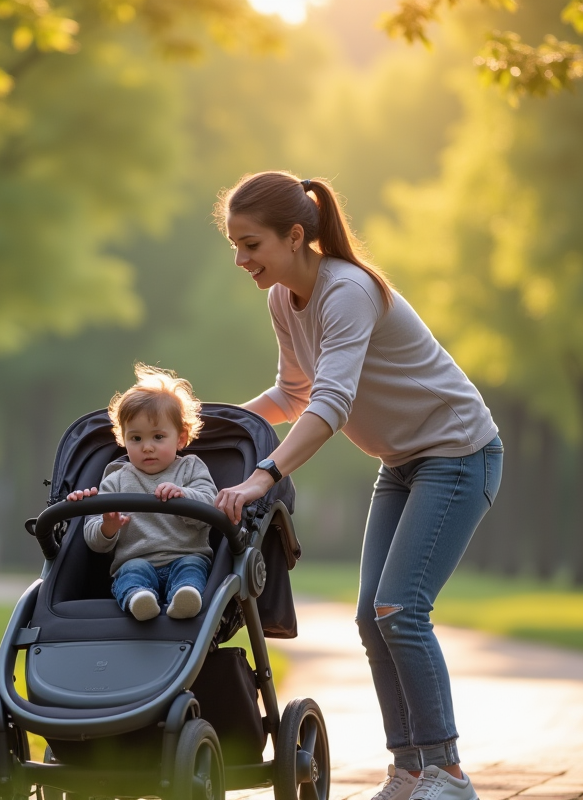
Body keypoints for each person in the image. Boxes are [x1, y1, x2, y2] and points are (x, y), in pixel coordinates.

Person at [211, 171, 503, 800]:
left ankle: (447, 772)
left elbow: (331, 405)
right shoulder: (282, 299)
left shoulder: (347, 291)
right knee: (372, 619)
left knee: (400, 610)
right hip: (401, 461)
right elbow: (294, 394)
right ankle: (408, 769)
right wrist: (206, 427)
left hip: (458, 452)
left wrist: (266, 473)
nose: (241, 260)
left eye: (251, 244)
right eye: (234, 245)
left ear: (294, 237)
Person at [66, 364, 218, 622]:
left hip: (185, 556)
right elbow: (94, 540)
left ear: (180, 438)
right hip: (136, 560)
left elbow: (211, 508)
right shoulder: (115, 479)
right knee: (131, 573)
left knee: (191, 570)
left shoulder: (191, 468)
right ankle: (139, 599)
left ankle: (186, 597)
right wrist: (108, 528)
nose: (147, 447)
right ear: (123, 438)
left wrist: (184, 495)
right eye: (136, 439)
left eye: (158, 437)